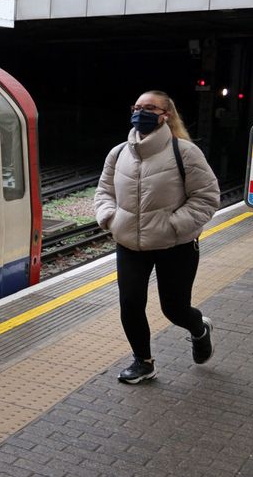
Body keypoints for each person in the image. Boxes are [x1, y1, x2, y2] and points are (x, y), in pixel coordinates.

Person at [94, 90, 219, 384]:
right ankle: (143, 362)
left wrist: (173, 225)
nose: (141, 113)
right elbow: (104, 192)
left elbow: (207, 197)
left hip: (175, 245)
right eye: (137, 107)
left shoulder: (185, 152)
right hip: (129, 245)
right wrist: (111, 218)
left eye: (150, 108)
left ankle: (199, 329)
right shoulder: (119, 153)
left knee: (174, 308)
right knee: (131, 303)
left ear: (166, 116)